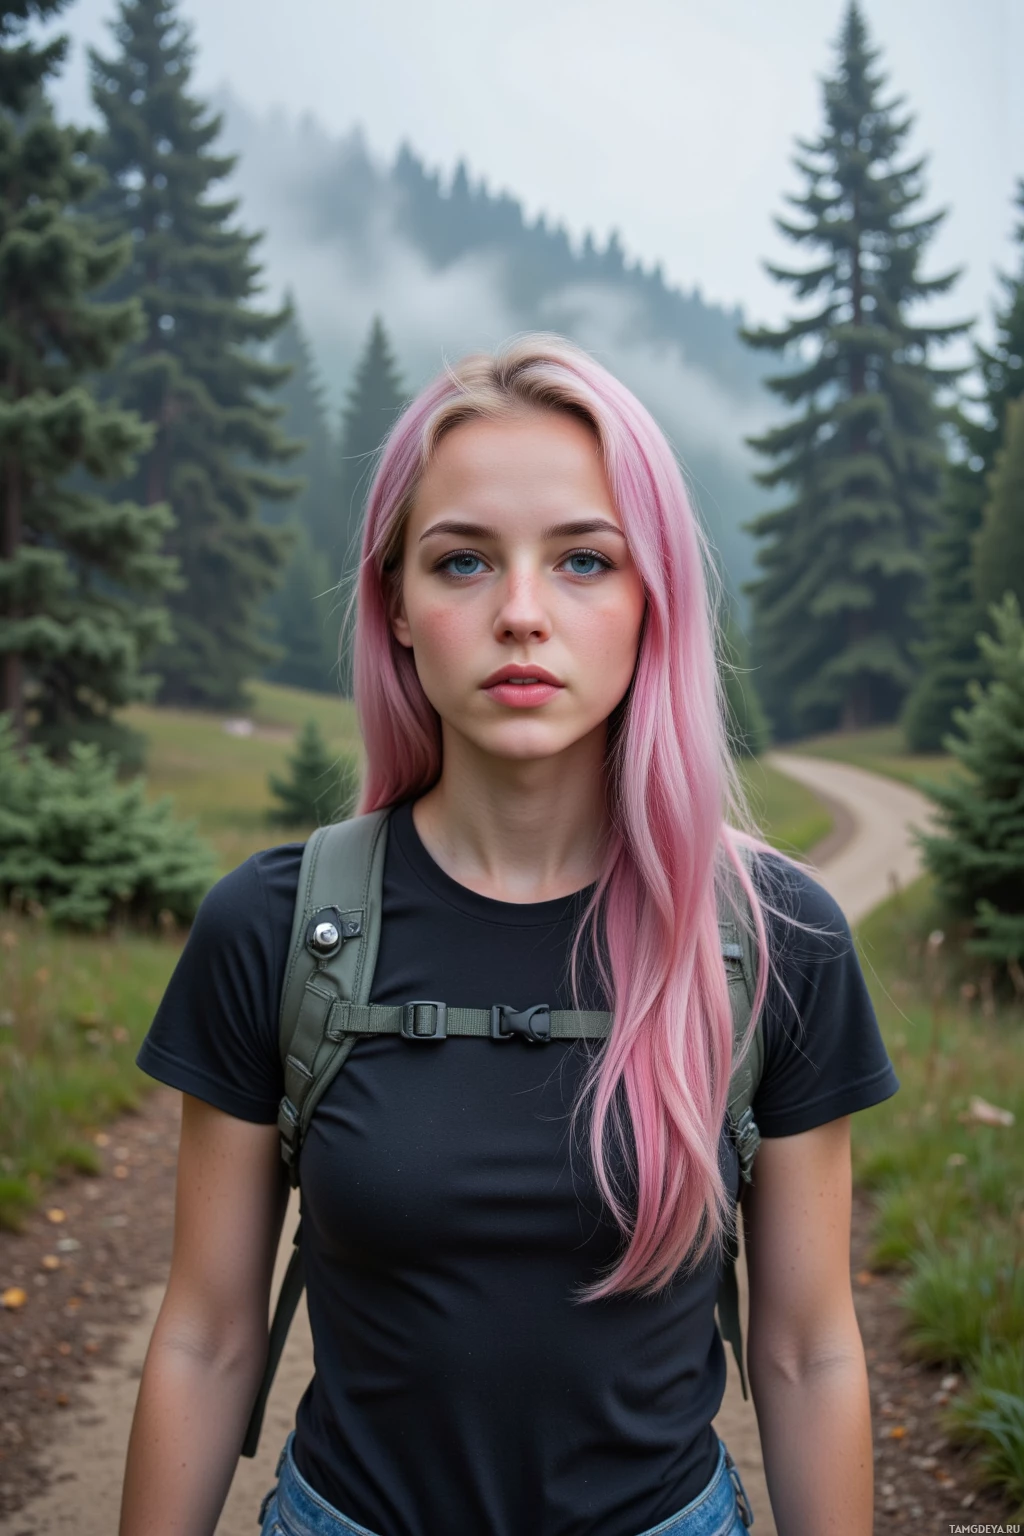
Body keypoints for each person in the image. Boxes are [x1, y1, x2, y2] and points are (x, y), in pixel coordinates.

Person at [120, 334, 898, 1536]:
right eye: (464, 561)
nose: (521, 614)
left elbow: (805, 1353)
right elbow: (208, 1335)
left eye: (585, 560)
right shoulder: (274, 928)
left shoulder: (776, 939)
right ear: (396, 609)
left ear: (655, 604)